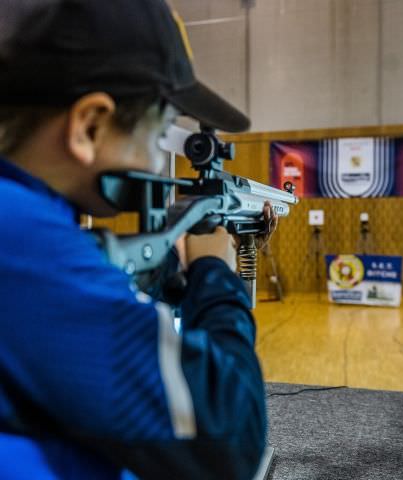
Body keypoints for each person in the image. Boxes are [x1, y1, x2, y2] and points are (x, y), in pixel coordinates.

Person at [0, 0, 277, 478]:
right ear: (89, 125)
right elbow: (231, 438)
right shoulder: (19, 232)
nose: (155, 164)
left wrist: (169, 270)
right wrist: (216, 276)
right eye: (160, 134)